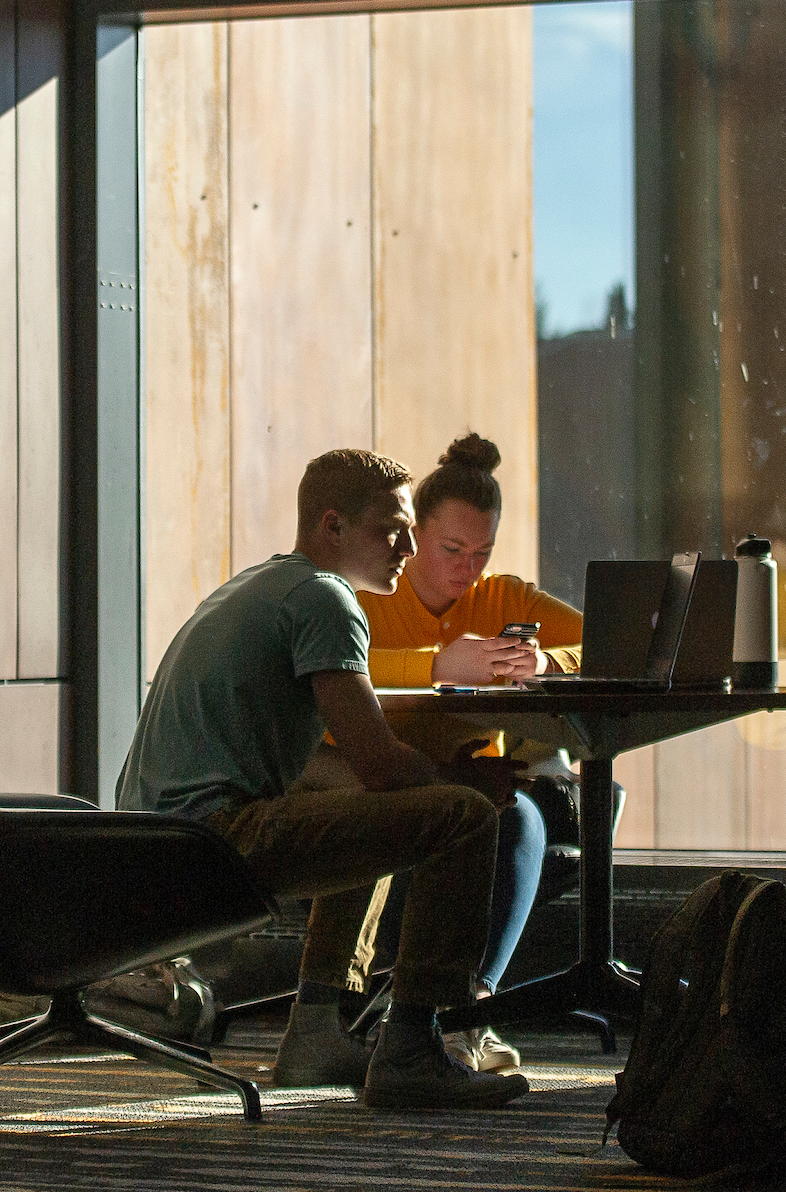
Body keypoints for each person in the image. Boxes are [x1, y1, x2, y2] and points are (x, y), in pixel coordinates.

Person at [114, 449, 531, 1109]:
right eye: (390, 528)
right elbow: (382, 762)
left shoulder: (266, 584)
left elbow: (359, 765)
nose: (407, 543)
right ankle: (412, 1048)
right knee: (465, 816)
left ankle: (313, 1033)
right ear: (332, 526)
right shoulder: (326, 599)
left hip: (159, 839)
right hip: (214, 842)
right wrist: (462, 780)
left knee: (364, 798)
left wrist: (431, 771)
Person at [354, 433, 583, 1074]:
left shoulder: (502, 599)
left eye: (480, 553)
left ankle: (467, 1010)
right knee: (478, 815)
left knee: (517, 817)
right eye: (452, 549)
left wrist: (547, 663)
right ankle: (427, 1008)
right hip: (390, 778)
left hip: (480, 783)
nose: (466, 569)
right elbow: (340, 668)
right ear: (412, 535)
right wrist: (436, 664)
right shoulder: (372, 594)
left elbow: (609, 645)